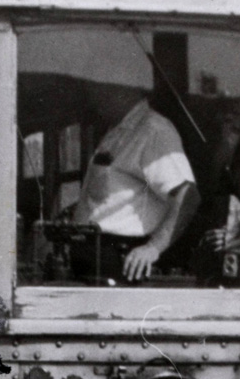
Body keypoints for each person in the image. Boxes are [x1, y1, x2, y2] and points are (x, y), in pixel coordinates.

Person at [72, 89, 201, 282]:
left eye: (97, 89)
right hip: (94, 255)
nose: (92, 97)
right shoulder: (117, 130)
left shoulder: (153, 129)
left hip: (125, 263)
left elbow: (187, 196)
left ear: (123, 90)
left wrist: (153, 248)